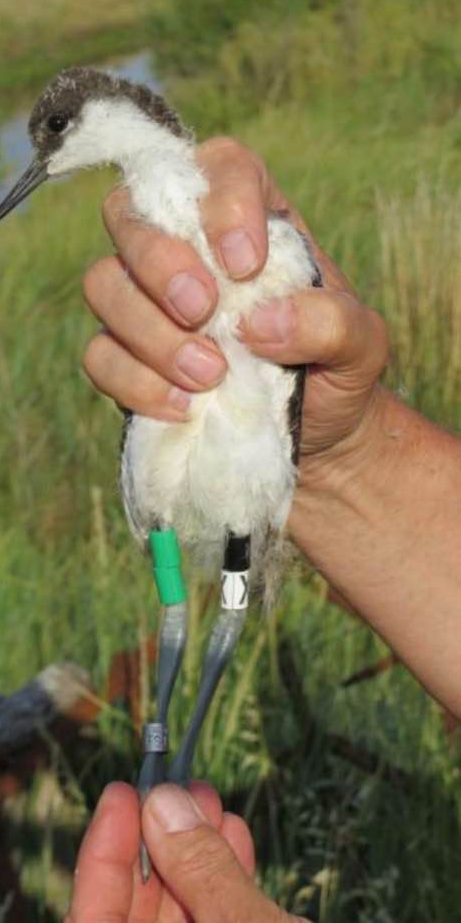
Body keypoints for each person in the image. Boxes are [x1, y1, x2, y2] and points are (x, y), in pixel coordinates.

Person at [66, 138, 461, 922]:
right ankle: (164, 755)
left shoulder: (265, 259)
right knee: (189, 610)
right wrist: (339, 455)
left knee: (210, 610)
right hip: (222, 470)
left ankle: (165, 756)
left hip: (243, 476)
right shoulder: (190, 231)